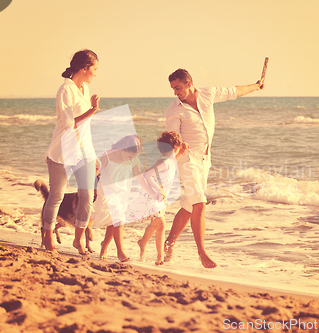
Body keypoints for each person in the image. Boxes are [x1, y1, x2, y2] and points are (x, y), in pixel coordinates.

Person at [164, 68, 264, 268]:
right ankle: (202, 253)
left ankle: (168, 243)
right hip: (186, 160)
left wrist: (256, 85)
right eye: (173, 89)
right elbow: (171, 140)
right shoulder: (174, 110)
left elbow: (234, 91)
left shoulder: (208, 94)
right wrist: (177, 149)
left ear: (189, 83)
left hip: (204, 160)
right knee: (199, 203)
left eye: (178, 87)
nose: (175, 92)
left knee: (188, 206)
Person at [42, 49, 100, 255]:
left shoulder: (84, 88)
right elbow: (68, 124)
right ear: (85, 68)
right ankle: (48, 237)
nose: (95, 73)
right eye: (94, 69)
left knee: (87, 195)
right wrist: (92, 110)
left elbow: (85, 130)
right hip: (62, 151)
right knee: (56, 196)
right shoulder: (65, 89)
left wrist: (93, 156)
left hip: (83, 151)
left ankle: (78, 240)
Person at [96, 135, 163, 262]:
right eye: (130, 156)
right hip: (106, 192)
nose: (132, 159)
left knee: (113, 223)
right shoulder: (107, 155)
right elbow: (96, 172)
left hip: (122, 195)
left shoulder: (133, 161)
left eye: (135, 156)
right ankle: (120, 252)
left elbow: (141, 180)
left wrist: (154, 194)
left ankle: (104, 247)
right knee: (118, 220)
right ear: (122, 149)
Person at [129, 131, 189, 265]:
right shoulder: (164, 162)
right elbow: (148, 175)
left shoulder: (170, 160)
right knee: (161, 224)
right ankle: (160, 257)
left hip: (158, 198)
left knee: (155, 225)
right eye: (178, 147)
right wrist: (159, 189)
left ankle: (142, 242)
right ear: (175, 147)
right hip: (152, 197)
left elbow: (173, 162)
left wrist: (182, 152)